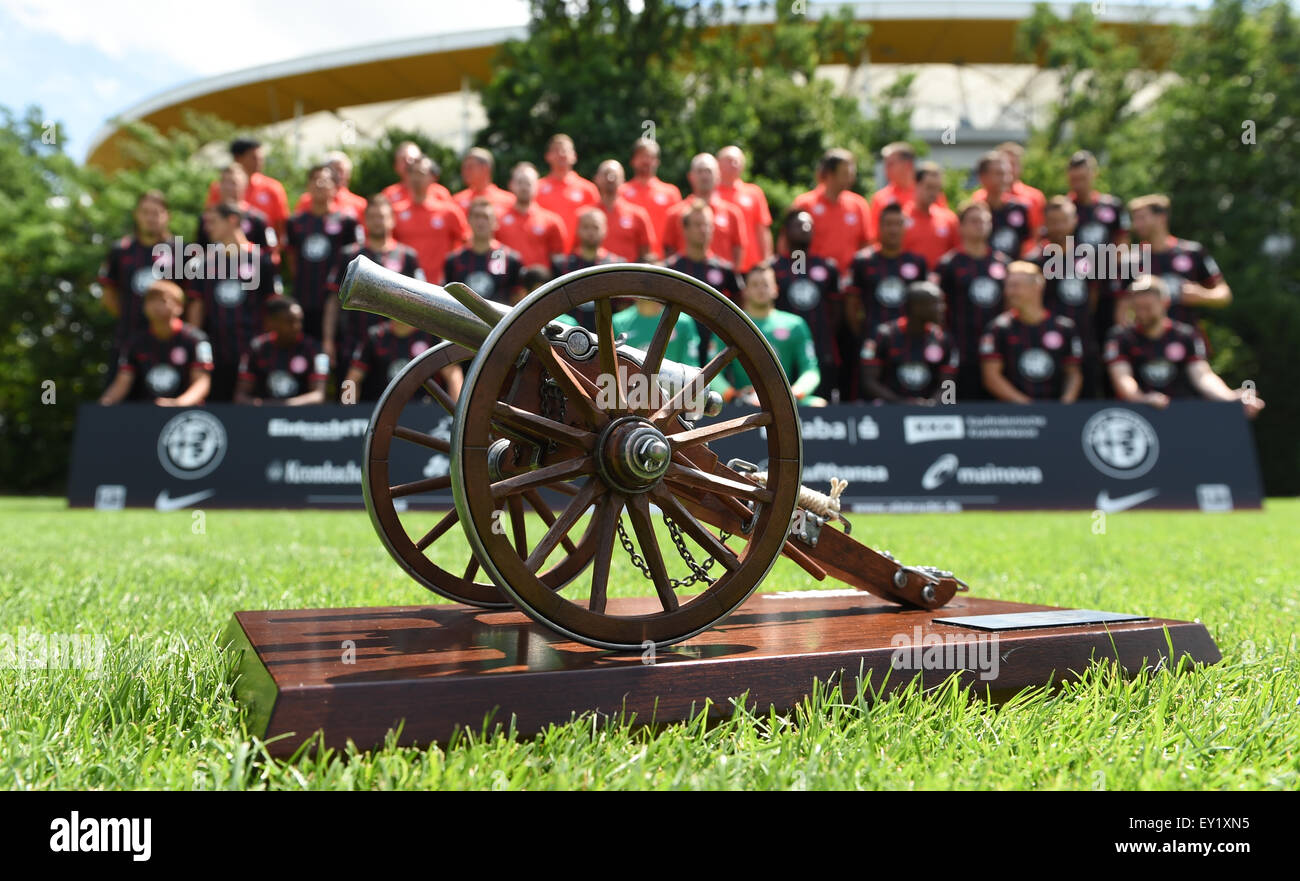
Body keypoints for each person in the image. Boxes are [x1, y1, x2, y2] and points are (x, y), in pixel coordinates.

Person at [1105, 275, 1263, 418]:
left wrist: (1229, 397)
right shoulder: (1120, 337)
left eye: (1148, 307)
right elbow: (1123, 378)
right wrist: (1142, 399)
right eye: (1137, 308)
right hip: (1137, 416)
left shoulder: (1186, 335)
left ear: (1165, 303)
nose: (1142, 314)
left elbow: (1202, 376)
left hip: (1184, 415)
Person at [185, 203, 282, 401]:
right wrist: (194, 347)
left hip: (253, 354)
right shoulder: (204, 263)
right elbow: (196, 307)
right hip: (215, 352)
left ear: (233, 220)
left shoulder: (262, 260)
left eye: (213, 222)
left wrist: (268, 348)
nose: (207, 228)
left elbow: (273, 307)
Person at [330, 195, 424, 391]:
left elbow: (419, 299)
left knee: (391, 395)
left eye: (382, 216)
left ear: (392, 220)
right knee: (349, 390)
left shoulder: (408, 256)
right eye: (372, 216)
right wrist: (327, 339)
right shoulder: (350, 255)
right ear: (365, 220)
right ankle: (347, 422)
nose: (377, 221)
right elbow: (332, 300)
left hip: (394, 344)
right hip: (353, 339)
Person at [844, 203, 928, 399]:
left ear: (905, 227)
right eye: (888, 224)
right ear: (879, 227)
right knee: (868, 391)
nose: (893, 229)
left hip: (908, 341)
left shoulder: (917, 262)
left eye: (898, 224)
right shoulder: (862, 261)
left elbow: (926, 303)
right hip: (872, 339)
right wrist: (863, 332)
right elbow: (851, 305)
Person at [711, 263, 823, 407]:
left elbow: (810, 370)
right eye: (755, 284)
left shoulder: (795, 325)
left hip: (785, 399)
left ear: (775, 289)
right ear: (745, 291)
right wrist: (732, 395)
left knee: (819, 404)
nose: (761, 289)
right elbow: (712, 370)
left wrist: (794, 393)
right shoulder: (730, 324)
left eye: (766, 284)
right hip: (741, 401)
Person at [931, 200, 1011, 400]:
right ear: (961, 227)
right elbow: (936, 309)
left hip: (998, 351)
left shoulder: (1003, 263)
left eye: (985, 221)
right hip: (961, 349)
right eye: (974, 221)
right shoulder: (948, 264)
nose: (981, 225)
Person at [1027, 196, 1105, 397]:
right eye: (1053, 221)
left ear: (1074, 220)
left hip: (1085, 337)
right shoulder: (1034, 260)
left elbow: (1094, 296)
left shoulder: (1093, 256)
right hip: (1047, 342)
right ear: (1045, 223)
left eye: (1063, 220)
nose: (1059, 226)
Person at [1121, 194, 1231, 329]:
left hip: (1186, 341)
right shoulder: (1130, 260)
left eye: (1142, 218)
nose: (1136, 225)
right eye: (1134, 220)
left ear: (1162, 218)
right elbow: (1122, 305)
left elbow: (1224, 294)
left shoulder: (1192, 252)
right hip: (1144, 343)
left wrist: (1201, 295)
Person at [979, 261, 1083, 403]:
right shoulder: (998, 329)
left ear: (1037, 287)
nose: (1009, 292)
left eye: (1015, 286)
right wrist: (1029, 407)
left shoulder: (1064, 328)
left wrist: (1065, 404)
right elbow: (991, 377)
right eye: (1008, 286)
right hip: (1015, 418)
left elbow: (1073, 374)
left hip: (1057, 412)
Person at [284, 164, 363, 351]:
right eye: (315, 180)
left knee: (338, 351)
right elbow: (291, 257)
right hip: (304, 297)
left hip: (339, 299)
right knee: (305, 350)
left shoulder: (347, 222)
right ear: (308, 186)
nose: (319, 184)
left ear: (335, 187)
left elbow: (355, 258)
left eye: (325, 180)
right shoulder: (295, 222)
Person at [98, 280, 212, 406]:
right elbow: (122, 381)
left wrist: (178, 403)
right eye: (151, 300)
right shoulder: (134, 343)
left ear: (179, 306)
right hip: (146, 415)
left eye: (163, 300)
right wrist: (105, 403)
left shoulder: (196, 340)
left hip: (187, 414)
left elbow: (202, 382)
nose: (156, 306)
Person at [98, 189, 181, 357]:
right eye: (145, 212)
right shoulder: (120, 251)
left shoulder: (182, 252)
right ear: (136, 215)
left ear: (167, 216)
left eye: (156, 213)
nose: (150, 218)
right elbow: (108, 296)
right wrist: (132, 316)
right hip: (128, 339)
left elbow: (192, 298)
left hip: (171, 343)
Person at [772, 209, 842, 402]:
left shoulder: (828, 267)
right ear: (785, 230)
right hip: (783, 347)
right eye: (799, 224)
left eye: (809, 225)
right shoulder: (773, 268)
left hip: (820, 346)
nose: (805, 228)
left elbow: (836, 311)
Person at [663, 199, 742, 363]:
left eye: (707, 225)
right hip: (678, 346)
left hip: (716, 348)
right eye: (698, 224)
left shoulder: (725, 269)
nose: (703, 229)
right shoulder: (669, 268)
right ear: (684, 229)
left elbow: (740, 304)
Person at [859, 281, 958, 404]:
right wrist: (902, 403)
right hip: (888, 410)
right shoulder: (883, 336)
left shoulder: (943, 339)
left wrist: (931, 404)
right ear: (916, 307)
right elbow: (868, 382)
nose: (942, 308)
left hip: (929, 413)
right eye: (936, 303)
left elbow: (949, 383)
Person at [235, 297, 329, 406]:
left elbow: (319, 395)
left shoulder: (315, 349)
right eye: (289, 321)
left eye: (299, 321)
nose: (296, 326)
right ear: (272, 322)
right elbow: (240, 396)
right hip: (262, 415)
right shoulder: (256, 348)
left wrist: (285, 406)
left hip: (301, 418)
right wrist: (264, 406)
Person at [661, 153, 750, 268]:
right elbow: (668, 250)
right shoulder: (675, 214)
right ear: (690, 176)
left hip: (720, 282)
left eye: (708, 171)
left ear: (718, 176)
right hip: (685, 281)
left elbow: (738, 250)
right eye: (699, 171)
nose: (704, 176)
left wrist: (730, 279)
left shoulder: (732, 213)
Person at [790, 148, 874, 270]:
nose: (851, 179)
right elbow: (793, 245)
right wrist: (798, 272)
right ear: (830, 174)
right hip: (814, 276)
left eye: (852, 174)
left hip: (849, 280)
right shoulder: (805, 204)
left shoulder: (858, 205)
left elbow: (866, 244)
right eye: (845, 174)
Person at [391, 156, 470, 284]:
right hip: (404, 284)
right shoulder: (396, 212)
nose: (416, 178)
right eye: (412, 173)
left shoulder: (448, 212)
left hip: (441, 285)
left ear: (432, 177)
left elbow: (466, 242)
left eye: (421, 173)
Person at [345, 318, 460, 403]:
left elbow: (454, 376)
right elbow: (351, 380)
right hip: (383, 411)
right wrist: (347, 413)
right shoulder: (375, 336)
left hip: (426, 409)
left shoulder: (432, 335)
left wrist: (457, 414)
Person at [444, 197, 524, 304]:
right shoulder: (454, 260)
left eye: (485, 217)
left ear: (495, 222)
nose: (481, 222)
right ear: (468, 220)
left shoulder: (510, 259)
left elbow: (518, 299)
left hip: (500, 320)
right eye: (476, 216)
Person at [206, 137, 289, 239]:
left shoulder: (273, 188)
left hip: (261, 249)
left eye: (261, 158)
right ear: (238, 158)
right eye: (254, 158)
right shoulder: (219, 188)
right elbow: (210, 220)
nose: (259, 162)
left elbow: (281, 225)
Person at [495, 162, 567, 270]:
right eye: (520, 183)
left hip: (541, 283)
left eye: (528, 183)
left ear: (537, 186)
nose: (524, 187)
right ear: (511, 184)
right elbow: (494, 254)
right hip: (508, 283)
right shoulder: (497, 220)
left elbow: (558, 258)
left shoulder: (551, 221)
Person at [536, 134, 600, 249]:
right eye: (556, 150)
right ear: (548, 156)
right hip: (548, 254)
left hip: (581, 256)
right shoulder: (537, 188)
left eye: (565, 150)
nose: (561, 154)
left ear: (574, 156)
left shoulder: (588, 189)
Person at [973, 141, 1045, 241]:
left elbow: (1036, 233)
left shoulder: (1034, 197)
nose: (1010, 170)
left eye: (1014, 164)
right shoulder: (979, 198)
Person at [716, 145, 773, 271]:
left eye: (738, 161)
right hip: (721, 264)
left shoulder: (754, 193)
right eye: (730, 160)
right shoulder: (711, 194)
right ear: (718, 163)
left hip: (752, 265)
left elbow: (762, 229)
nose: (735, 164)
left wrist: (767, 260)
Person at [196, 164, 276, 252]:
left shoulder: (259, 219)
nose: (228, 187)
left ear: (244, 185)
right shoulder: (207, 218)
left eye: (233, 183)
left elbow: (270, 254)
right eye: (224, 182)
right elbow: (200, 250)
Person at [871, 142, 947, 232]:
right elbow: (875, 233)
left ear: (907, 165)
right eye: (886, 164)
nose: (886, 168)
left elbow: (944, 223)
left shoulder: (931, 192)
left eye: (891, 164)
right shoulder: (880, 197)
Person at [592, 159, 658, 262]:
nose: (610, 178)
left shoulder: (638, 214)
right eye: (606, 174)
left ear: (623, 180)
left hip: (627, 275)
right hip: (594, 275)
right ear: (596, 178)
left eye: (615, 175)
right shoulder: (587, 216)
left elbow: (646, 254)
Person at [620, 137, 682, 243]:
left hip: (663, 257)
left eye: (650, 157)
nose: (646, 160)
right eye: (642, 156)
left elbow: (679, 228)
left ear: (657, 161)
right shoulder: (621, 192)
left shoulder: (671, 193)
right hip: (631, 257)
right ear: (633, 160)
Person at [973, 151, 1034, 258]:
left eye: (1007, 173)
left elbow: (1027, 243)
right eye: (999, 174)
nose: (1005, 179)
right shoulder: (974, 213)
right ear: (982, 177)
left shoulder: (1020, 209)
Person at [901, 161, 960, 267]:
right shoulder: (900, 218)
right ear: (915, 185)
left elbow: (957, 253)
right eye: (929, 187)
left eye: (937, 188)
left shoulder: (949, 219)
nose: (933, 193)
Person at [293, 151, 367, 222]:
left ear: (349, 175)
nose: (337, 175)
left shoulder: (360, 204)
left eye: (340, 170)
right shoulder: (306, 201)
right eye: (333, 170)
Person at [381, 142, 451, 207]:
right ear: (396, 166)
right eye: (403, 159)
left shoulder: (440, 194)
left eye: (413, 159)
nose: (409, 163)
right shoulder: (388, 195)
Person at [452, 147, 514, 218]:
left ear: (485, 168)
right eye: (464, 167)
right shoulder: (457, 201)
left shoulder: (509, 201)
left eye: (470, 167)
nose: (464, 171)